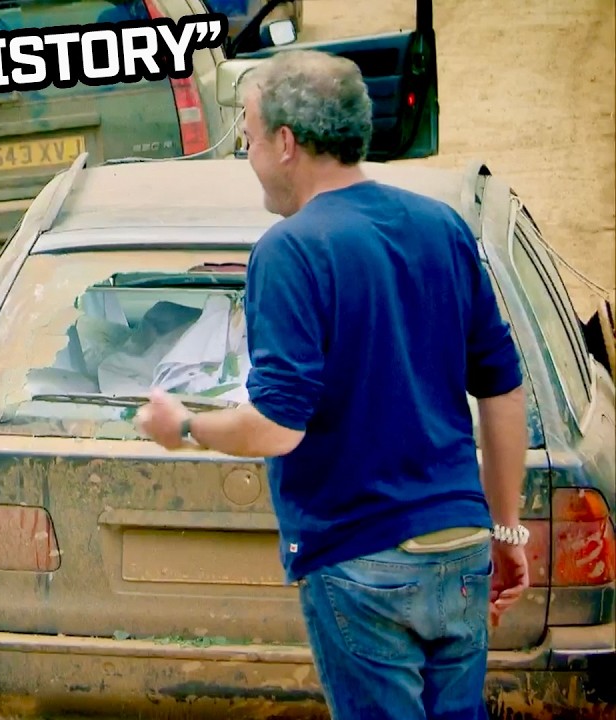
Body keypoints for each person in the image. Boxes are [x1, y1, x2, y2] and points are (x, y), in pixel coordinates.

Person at [134, 50, 531, 720]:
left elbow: (277, 425)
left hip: (361, 559)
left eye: (250, 139)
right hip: (460, 547)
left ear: (286, 143)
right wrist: (507, 527)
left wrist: (185, 426)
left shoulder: (291, 250)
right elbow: (502, 387)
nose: (249, 156)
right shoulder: (442, 226)